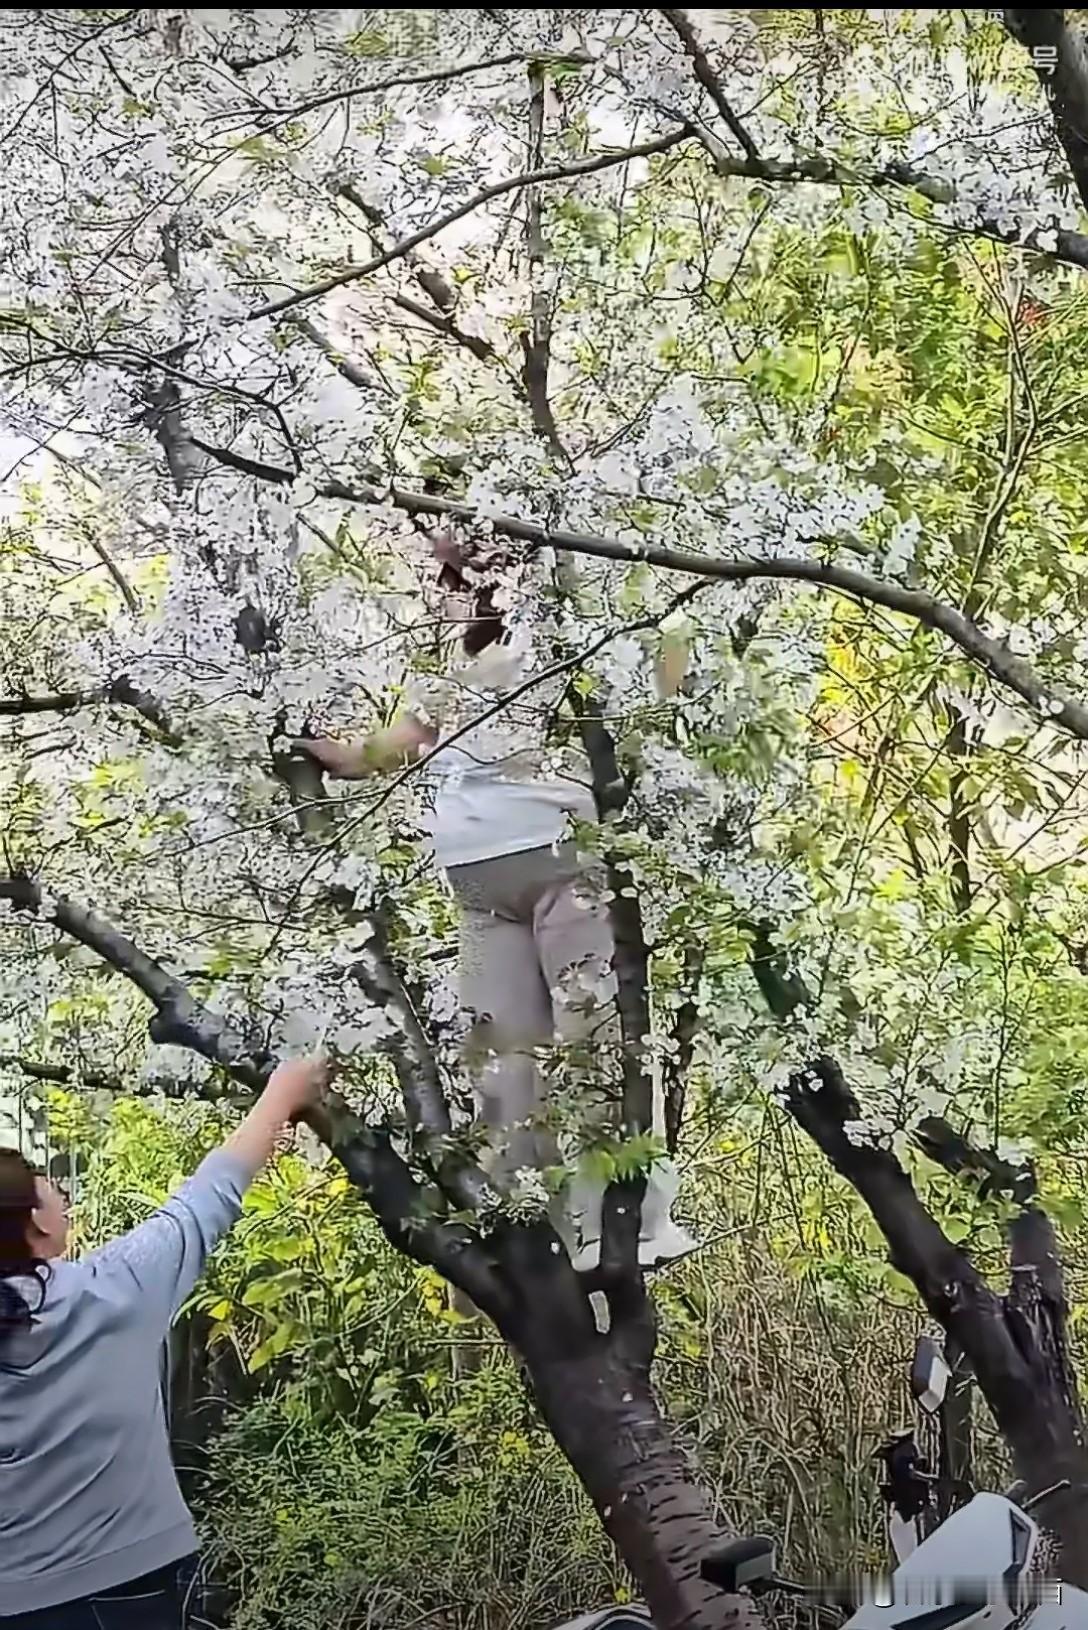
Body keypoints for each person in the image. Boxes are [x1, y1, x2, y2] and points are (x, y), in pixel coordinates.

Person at [296, 534, 697, 1273]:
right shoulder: (451, 659)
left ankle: (628, 1222)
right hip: (479, 886)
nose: (448, 582)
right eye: (443, 570)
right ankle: (527, 1231)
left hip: (563, 859)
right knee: (502, 1064)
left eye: (456, 564)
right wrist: (333, 753)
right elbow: (396, 745)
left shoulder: (567, 618)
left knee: (595, 1043)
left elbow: (665, 675)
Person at [0, 1055, 329, 1629]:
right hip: (138, 1582)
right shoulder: (111, 1290)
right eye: (48, 1185)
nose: (62, 1193)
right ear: (36, 1220)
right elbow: (209, 1196)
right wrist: (284, 1093)